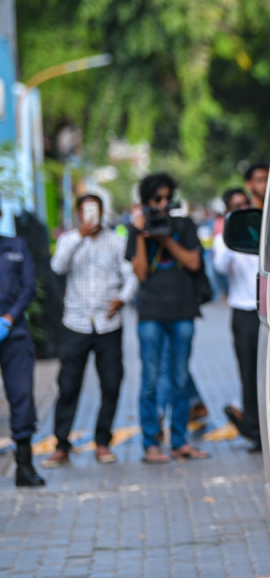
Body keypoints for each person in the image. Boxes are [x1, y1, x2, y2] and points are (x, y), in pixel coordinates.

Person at [44, 195, 139, 467]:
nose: (91, 215)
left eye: (95, 211)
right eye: (86, 211)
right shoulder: (68, 239)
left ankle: (103, 442)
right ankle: (61, 444)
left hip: (109, 324)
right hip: (76, 324)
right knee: (68, 385)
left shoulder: (116, 241)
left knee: (111, 383)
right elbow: (57, 267)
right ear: (78, 213)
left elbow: (130, 275)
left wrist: (123, 298)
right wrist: (79, 237)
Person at [128, 173, 210, 463]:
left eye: (166, 198)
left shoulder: (184, 225)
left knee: (179, 379)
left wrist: (165, 239)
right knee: (150, 380)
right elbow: (140, 273)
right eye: (156, 199)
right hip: (150, 313)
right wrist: (139, 234)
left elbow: (193, 262)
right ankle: (151, 444)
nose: (163, 205)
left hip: (182, 312)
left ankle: (179, 442)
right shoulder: (137, 230)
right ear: (145, 202)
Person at [213, 188, 260, 450]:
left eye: (245, 205)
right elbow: (220, 268)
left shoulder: (264, 230)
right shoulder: (224, 239)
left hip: (269, 309)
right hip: (243, 312)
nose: (242, 210)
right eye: (235, 207)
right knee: (248, 373)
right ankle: (254, 431)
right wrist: (233, 238)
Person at [0, 207, 44, 486]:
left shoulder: (15, 246)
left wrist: (8, 318)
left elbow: (29, 287)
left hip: (13, 333)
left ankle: (24, 466)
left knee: (22, 396)